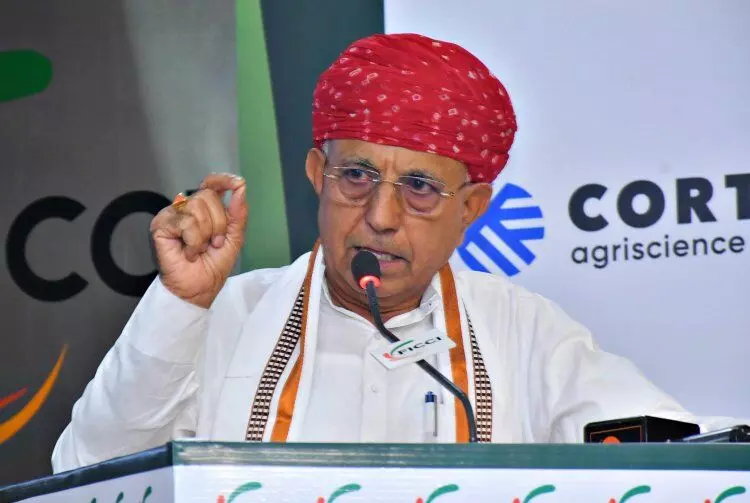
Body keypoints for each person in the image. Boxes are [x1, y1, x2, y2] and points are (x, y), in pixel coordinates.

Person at [51, 33, 734, 472]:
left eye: (420, 188)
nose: (379, 217)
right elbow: (87, 470)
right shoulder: (224, 315)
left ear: (471, 209)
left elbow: (681, 457)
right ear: (317, 175)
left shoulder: (525, 332)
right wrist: (180, 305)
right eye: (356, 176)